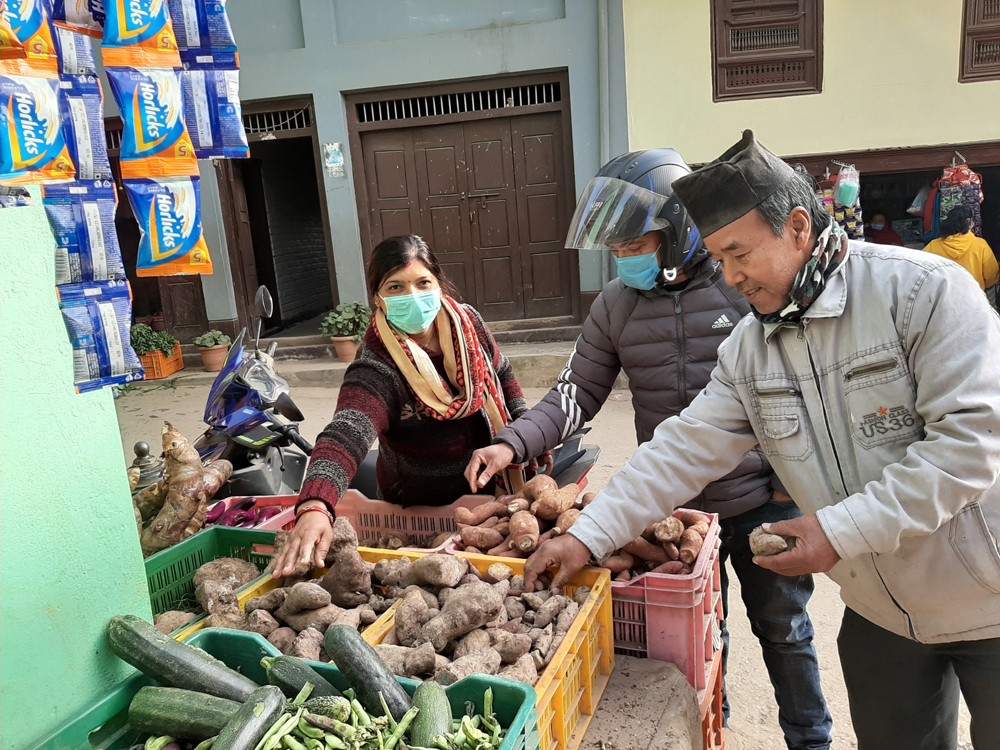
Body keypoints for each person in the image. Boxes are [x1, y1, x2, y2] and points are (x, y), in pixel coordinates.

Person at [522, 130, 1000, 750]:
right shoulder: (751, 347)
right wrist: (587, 535)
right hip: (882, 616)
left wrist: (837, 532)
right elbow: (683, 447)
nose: (731, 276)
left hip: (985, 598)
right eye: (719, 258)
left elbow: (970, 443)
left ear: (799, 227)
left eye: (739, 254)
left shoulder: (922, 291)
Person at [465, 149, 832, 750]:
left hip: (764, 499)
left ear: (681, 232)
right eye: (616, 250)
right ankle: (718, 722)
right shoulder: (615, 305)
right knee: (700, 633)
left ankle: (810, 741)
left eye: (635, 245)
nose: (624, 260)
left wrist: (789, 488)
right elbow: (575, 393)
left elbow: (801, 385)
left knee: (785, 630)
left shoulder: (744, 285)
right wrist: (512, 443)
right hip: (672, 515)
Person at [273, 234, 530, 577]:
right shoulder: (378, 365)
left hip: (491, 492)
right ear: (378, 299)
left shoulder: (469, 323)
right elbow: (346, 432)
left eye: (423, 283)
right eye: (395, 287)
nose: (412, 297)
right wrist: (316, 504)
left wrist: (525, 432)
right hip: (418, 506)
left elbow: (502, 372)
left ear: (439, 284)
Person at [922, 204, 999, 299]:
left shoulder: (933, 246)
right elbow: (991, 277)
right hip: (975, 298)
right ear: (970, 223)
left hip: (944, 299)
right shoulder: (980, 245)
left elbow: (922, 272)